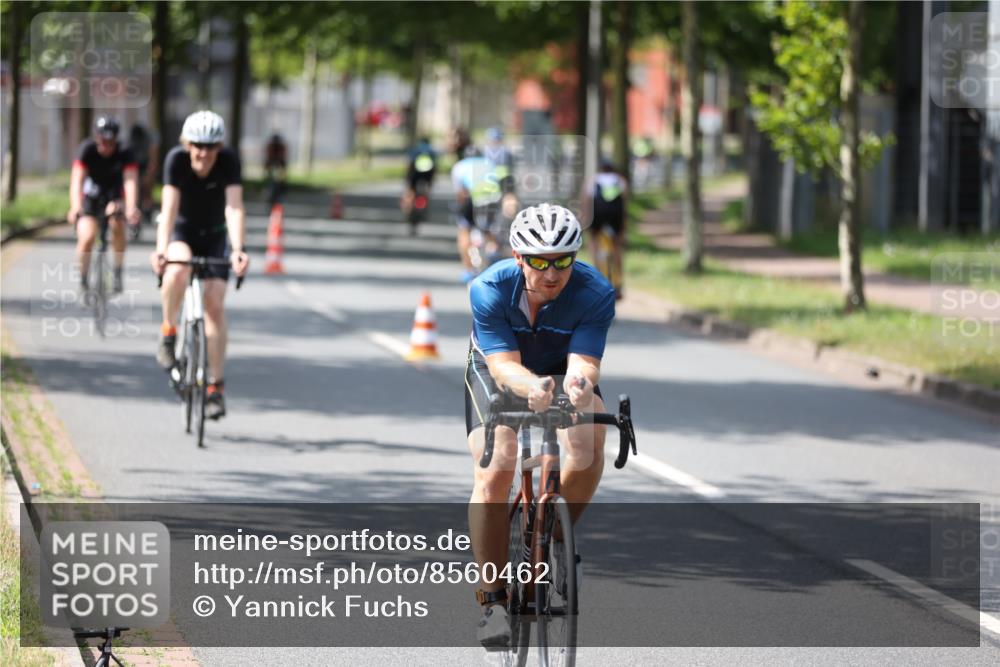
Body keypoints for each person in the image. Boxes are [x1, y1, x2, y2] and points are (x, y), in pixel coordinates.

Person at [464, 203, 615, 646]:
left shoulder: (595, 292)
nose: (552, 273)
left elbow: (585, 363)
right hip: (500, 372)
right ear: (518, 257)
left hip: (559, 371)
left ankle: (551, 541)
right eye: (539, 262)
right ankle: (492, 599)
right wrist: (531, 387)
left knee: (588, 445)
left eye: (563, 260)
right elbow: (504, 365)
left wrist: (580, 387)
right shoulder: (488, 289)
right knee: (496, 465)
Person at [151, 110, 249, 420]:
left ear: (219, 148)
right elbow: (168, 210)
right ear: (186, 144)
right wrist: (160, 250)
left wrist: (238, 250)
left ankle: (214, 388)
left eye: (210, 147)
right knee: (177, 269)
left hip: (216, 236)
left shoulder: (229, 162)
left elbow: (234, 208)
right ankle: (168, 333)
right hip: (184, 231)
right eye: (196, 145)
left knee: (215, 305)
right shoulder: (176, 161)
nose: (203, 153)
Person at [67, 116, 141, 294]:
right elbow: (77, 181)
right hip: (91, 198)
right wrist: (75, 206)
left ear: (116, 140)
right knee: (87, 237)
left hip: (115, 196)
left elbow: (130, 182)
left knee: (118, 222)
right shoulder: (87, 149)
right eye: (102, 142)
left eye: (110, 142)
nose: (106, 147)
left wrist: (131, 208)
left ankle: (117, 269)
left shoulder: (125, 151)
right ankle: (84, 281)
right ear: (96, 138)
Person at [450, 146, 510, 283]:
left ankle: (469, 269)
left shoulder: (459, 166)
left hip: (474, 198)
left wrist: (460, 207)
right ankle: (494, 253)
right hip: (493, 198)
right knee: (489, 229)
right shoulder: (490, 163)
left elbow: (461, 193)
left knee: (464, 230)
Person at [582, 159, 629, 299]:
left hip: (598, 215)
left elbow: (585, 201)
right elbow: (624, 204)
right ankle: (619, 284)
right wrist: (624, 227)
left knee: (594, 245)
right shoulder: (620, 180)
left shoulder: (593, 180)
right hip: (615, 216)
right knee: (617, 249)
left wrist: (585, 221)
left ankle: (596, 278)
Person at [401, 136, 437, 235]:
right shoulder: (431, 151)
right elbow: (435, 168)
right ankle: (423, 207)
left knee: (410, 193)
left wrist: (407, 182)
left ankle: (408, 209)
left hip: (414, 173)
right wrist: (431, 184)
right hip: (427, 173)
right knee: (425, 191)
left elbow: (409, 165)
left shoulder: (415, 150)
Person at [126, 122, 160, 220]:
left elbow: (153, 157)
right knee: (134, 186)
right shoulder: (130, 141)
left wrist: (149, 173)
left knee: (147, 187)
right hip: (135, 165)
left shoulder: (149, 140)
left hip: (145, 163)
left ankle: (148, 208)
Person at [263, 132, 288, 207]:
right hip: (272, 164)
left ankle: (280, 193)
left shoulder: (281, 147)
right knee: (271, 181)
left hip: (279, 165)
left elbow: (283, 159)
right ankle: (271, 196)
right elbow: (268, 158)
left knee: (280, 181)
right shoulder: (270, 146)